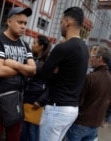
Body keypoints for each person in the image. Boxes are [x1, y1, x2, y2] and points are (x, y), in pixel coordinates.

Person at [36, 7, 89, 141]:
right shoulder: (84, 48)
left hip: (57, 109)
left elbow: (42, 75)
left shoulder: (63, 48)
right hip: (71, 109)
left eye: (61, 22)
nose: (60, 26)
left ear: (68, 22)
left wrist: (52, 72)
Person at [0, 7, 36, 141]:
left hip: (17, 100)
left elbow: (32, 70)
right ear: (9, 22)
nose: (23, 26)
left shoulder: (25, 45)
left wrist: (13, 64)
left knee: (13, 137)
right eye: (20, 22)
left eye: (25, 23)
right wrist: (23, 69)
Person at [66, 46, 111, 141]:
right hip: (95, 125)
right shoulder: (110, 80)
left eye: (93, 56)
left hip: (81, 123)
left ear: (100, 58)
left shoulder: (91, 78)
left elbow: (78, 101)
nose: (91, 59)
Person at [20, 35, 51, 141]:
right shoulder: (30, 59)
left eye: (34, 43)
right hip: (26, 100)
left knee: (33, 132)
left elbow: (51, 85)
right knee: (23, 132)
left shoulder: (48, 63)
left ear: (41, 46)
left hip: (37, 102)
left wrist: (40, 101)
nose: (32, 45)